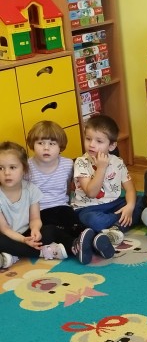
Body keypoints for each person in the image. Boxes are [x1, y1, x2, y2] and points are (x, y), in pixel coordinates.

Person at [25, 121, 98, 264]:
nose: (46, 148)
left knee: (75, 223)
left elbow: (68, 187)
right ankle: (75, 247)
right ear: (32, 144)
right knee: (55, 230)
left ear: (60, 146)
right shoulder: (27, 167)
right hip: (39, 210)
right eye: (40, 143)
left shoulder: (67, 164)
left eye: (52, 144)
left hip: (62, 206)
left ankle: (96, 241)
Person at [0, 141, 80, 268]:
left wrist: (35, 230)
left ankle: (75, 245)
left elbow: (35, 219)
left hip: (27, 233)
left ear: (24, 169)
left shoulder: (31, 189)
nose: (7, 173)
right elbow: (4, 229)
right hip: (8, 236)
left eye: (12, 167)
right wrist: (23, 240)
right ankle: (43, 252)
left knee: (51, 230)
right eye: (1, 168)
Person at [72, 114, 138, 258]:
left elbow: (130, 189)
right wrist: (101, 168)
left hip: (113, 204)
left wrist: (130, 206)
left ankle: (113, 230)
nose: (92, 144)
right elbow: (91, 193)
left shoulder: (118, 162)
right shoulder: (81, 162)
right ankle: (116, 227)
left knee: (140, 202)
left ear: (112, 145)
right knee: (93, 220)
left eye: (99, 141)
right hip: (88, 208)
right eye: (88, 139)